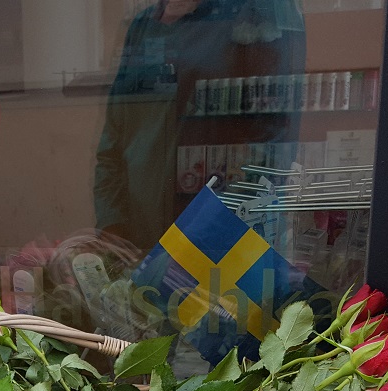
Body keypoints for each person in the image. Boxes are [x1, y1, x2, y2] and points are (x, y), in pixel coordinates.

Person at [94, 0, 304, 252]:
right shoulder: (144, 27)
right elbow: (113, 144)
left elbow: (272, 145)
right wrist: (112, 225)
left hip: (218, 243)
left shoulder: (254, 17)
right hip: (142, 243)